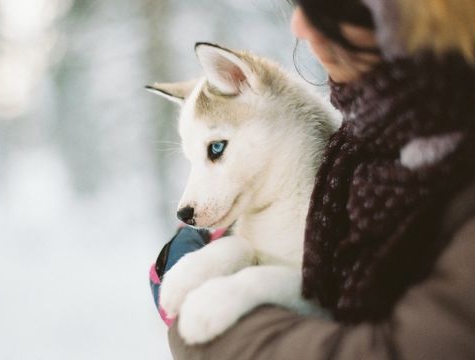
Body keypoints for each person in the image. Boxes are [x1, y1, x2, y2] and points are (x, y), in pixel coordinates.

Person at [153, 0, 475, 358]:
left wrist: (221, 319)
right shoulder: (360, 147)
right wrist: (231, 253)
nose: (299, 27)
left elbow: (378, 340)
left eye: (330, 7)